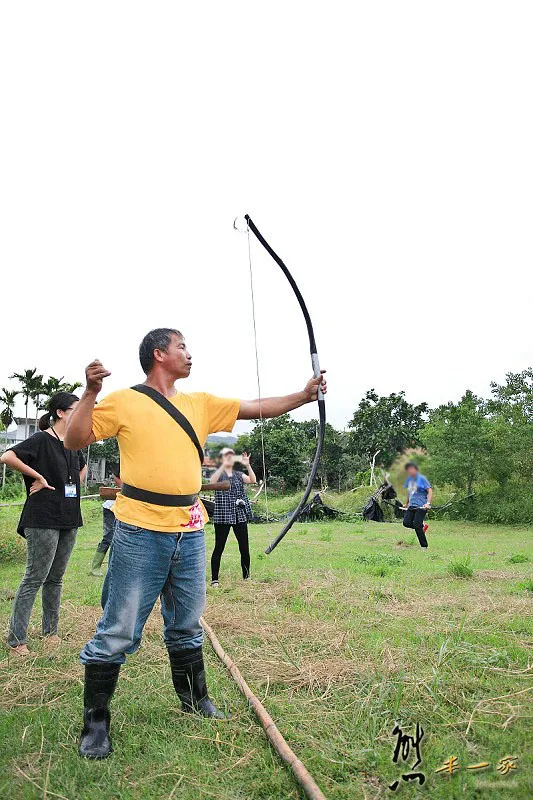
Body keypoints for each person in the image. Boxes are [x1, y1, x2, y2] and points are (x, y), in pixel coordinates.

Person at [64, 327, 327, 759]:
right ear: (158, 353)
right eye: (182, 346)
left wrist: (303, 395)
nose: (190, 353)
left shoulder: (199, 403)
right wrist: (90, 392)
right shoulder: (125, 400)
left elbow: (256, 407)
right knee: (118, 629)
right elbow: (76, 439)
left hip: (189, 529)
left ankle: (195, 700)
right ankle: (95, 724)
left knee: (186, 622)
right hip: (139, 530)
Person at [0, 392, 87, 656]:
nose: (80, 413)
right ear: (60, 412)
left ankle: (51, 633)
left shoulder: (73, 444)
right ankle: (16, 640)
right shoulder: (40, 439)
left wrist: (74, 482)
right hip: (43, 517)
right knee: (34, 577)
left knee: (56, 579)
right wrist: (37, 476)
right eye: (76, 408)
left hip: (68, 517)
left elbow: (81, 468)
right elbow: (8, 456)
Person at [210, 448, 256, 587]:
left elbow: (252, 480)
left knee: (244, 547)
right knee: (219, 547)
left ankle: (246, 577)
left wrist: (247, 465)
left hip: (239, 515)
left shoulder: (238, 474)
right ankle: (214, 580)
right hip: (223, 516)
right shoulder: (218, 474)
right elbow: (212, 481)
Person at [90, 463, 122, 577]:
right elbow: (115, 476)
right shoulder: (123, 466)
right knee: (109, 536)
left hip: (125, 509)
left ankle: (115, 568)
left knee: (121, 538)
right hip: (111, 508)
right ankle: (95, 567)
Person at [402, 462, 432, 548]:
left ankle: (424, 546)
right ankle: (422, 526)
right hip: (412, 505)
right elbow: (408, 492)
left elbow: (429, 490)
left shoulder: (422, 479)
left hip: (422, 506)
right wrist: (407, 503)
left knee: (416, 525)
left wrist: (428, 504)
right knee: (406, 523)